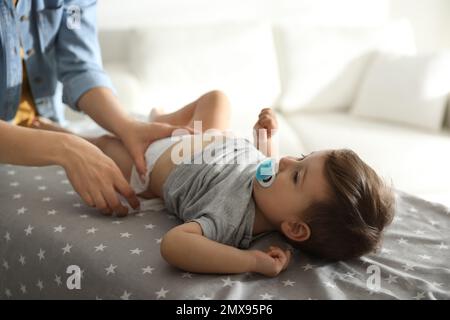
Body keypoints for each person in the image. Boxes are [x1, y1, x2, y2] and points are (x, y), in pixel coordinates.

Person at [36, 90, 396, 277]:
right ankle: (161, 119)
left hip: (152, 163)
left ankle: (58, 132)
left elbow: (175, 245)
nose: (288, 160)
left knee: (100, 149)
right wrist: (266, 137)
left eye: (298, 173)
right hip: (203, 136)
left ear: (295, 228)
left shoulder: (233, 217)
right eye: (303, 157)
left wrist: (250, 262)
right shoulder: (276, 187)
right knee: (217, 99)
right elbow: (266, 162)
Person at [0, 0, 187, 216]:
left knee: (107, 147)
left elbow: (79, 66)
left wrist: (126, 126)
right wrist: (66, 148)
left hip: (42, 126)